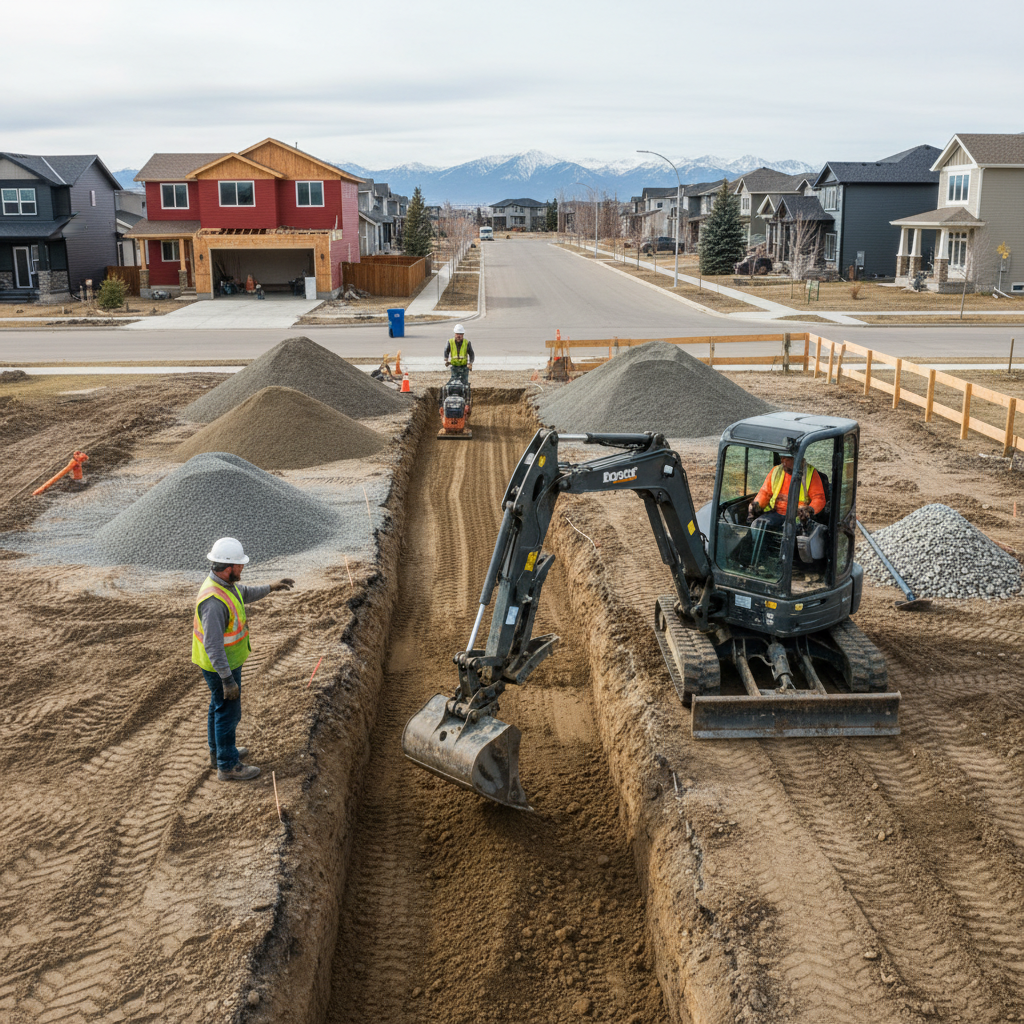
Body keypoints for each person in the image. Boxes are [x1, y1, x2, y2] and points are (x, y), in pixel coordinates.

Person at [192, 537, 294, 782]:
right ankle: (228, 766)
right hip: (220, 667)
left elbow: (245, 593)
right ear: (228, 568)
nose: (243, 568)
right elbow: (213, 646)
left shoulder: (226, 585)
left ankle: (219, 754)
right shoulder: (214, 601)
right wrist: (227, 679)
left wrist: (271, 587)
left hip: (223, 664)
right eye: (240, 565)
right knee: (229, 712)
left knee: (218, 708)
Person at [747, 454, 826, 534]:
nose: (783, 461)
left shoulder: (810, 473)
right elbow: (764, 493)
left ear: (796, 458)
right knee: (757, 525)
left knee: (788, 530)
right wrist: (756, 505)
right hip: (776, 513)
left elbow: (819, 498)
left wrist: (809, 510)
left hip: (798, 516)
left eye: (787, 459)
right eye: (782, 458)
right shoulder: (776, 471)